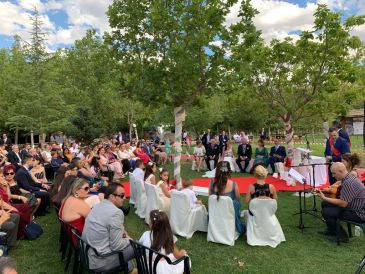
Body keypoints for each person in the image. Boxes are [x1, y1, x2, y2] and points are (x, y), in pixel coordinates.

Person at [82, 184, 136, 273]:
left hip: (88, 253)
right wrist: (129, 240)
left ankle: (130, 269)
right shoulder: (116, 213)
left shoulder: (98, 205)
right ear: (112, 197)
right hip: (99, 261)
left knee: (124, 241)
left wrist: (123, 236)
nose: (125, 198)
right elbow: (117, 246)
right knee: (138, 247)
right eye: (121, 195)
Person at [316, 162, 365, 242]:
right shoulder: (348, 178)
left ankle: (343, 237)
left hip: (358, 213)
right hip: (355, 207)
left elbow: (343, 203)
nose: (333, 176)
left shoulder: (348, 182)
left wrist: (324, 197)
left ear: (341, 171)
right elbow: (338, 194)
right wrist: (323, 191)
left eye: (334, 173)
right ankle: (332, 230)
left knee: (326, 212)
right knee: (325, 204)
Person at [208, 161, 245, 234]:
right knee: (237, 203)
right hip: (228, 213)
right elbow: (238, 198)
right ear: (229, 171)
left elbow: (210, 198)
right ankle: (235, 221)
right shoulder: (233, 184)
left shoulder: (212, 182)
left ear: (217, 170)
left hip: (216, 212)